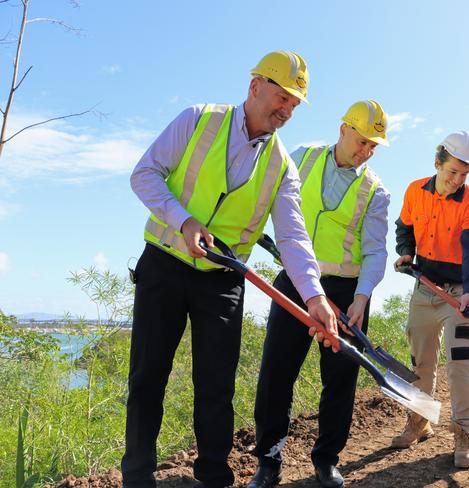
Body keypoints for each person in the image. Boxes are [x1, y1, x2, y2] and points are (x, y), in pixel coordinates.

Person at [122, 51, 338, 488]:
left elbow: (294, 238)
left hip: (222, 281)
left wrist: (314, 297)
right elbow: (144, 174)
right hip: (164, 264)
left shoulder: (282, 167)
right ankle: (137, 478)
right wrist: (182, 219)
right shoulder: (197, 119)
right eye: (282, 97)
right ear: (255, 86)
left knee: (217, 388)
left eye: (295, 104)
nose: (287, 109)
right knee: (148, 379)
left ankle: (214, 478)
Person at [248, 100, 391, 488]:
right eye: (362, 141)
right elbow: (266, 197)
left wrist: (362, 298)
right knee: (276, 373)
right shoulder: (301, 158)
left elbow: (376, 250)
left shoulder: (376, 191)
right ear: (344, 129)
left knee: (340, 380)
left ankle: (326, 460)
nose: (366, 151)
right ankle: (269, 460)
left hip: (347, 292)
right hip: (295, 282)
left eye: (373, 146)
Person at [392, 131, 469, 469]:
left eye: (464, 175)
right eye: (452, 172)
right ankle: (419, 423)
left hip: (457, 294)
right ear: (437, 162)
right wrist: (406, 253)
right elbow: (404, 228)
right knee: (421, 363)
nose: (457, 180)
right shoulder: (415, 191)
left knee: (460, 364)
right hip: (424, 288)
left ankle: (465, 438)